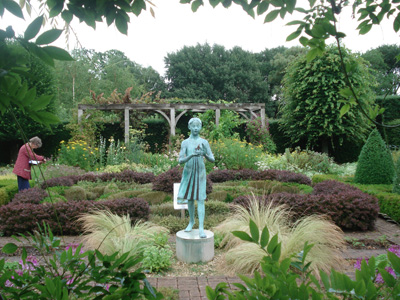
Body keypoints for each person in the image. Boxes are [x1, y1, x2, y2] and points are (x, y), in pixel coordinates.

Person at [177, 118, 215, 238]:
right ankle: (191, 221)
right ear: (189, 127)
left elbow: (212, 159)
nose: (195, 128)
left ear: (200, 127)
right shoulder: (185, 143)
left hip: (200, 172)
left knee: (200, 199)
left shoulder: (204, 142)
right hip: (188, 172)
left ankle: (201, 228)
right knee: (189, 199)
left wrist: (204, 153)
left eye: (197, 126)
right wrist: (190, 155)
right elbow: (180, 160)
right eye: (193, 126)